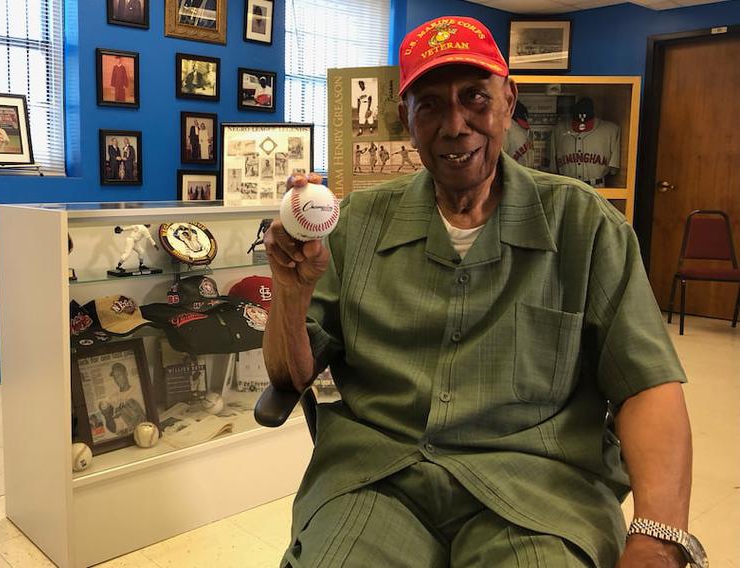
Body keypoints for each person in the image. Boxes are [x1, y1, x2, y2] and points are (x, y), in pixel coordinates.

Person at [263, 15, 700, 568]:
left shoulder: (583, 226)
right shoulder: (353, 226)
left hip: (537, 489)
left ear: (508, 100)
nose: (456, 124)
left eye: (474, 97)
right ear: (406, 118)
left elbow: (647, 384)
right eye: (431, 105)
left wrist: (660, 536)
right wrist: (290, 292)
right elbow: (288, 376)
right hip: (376, 478)